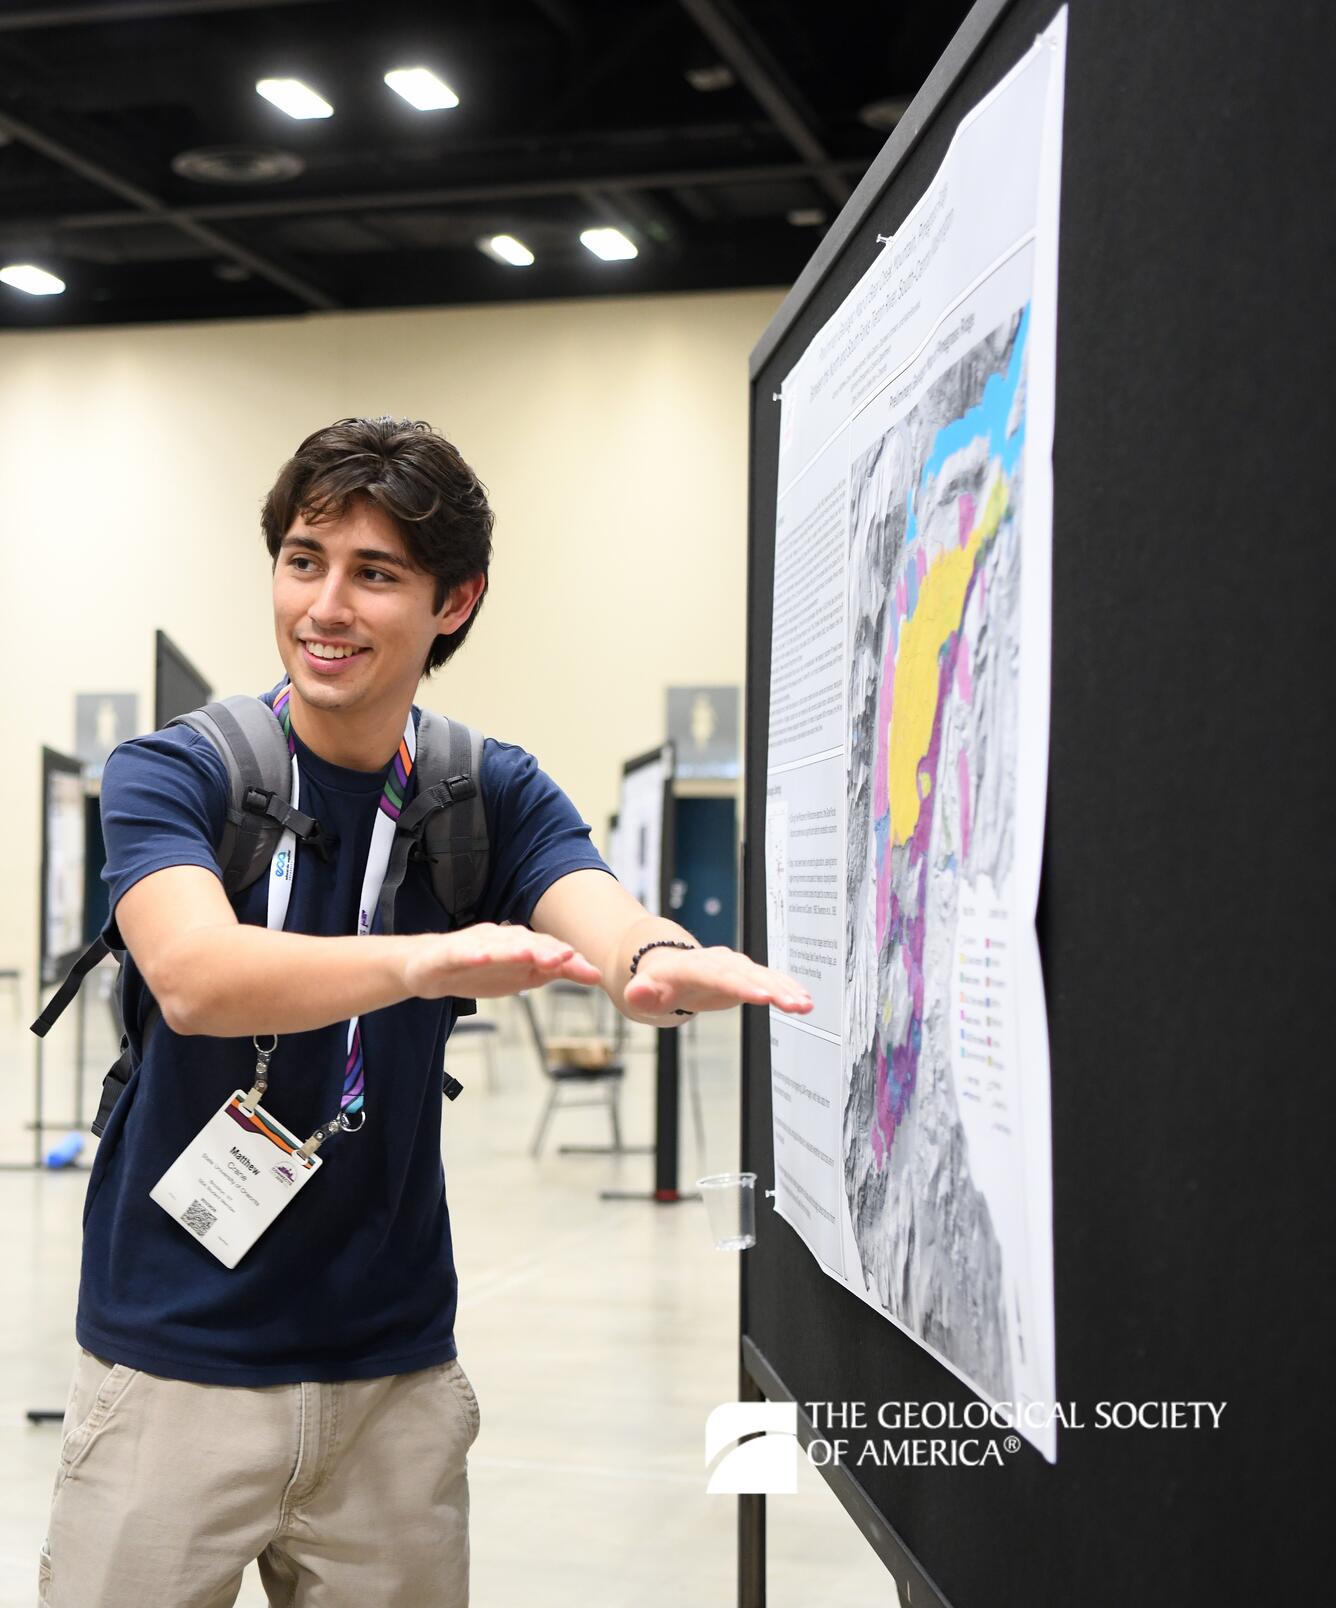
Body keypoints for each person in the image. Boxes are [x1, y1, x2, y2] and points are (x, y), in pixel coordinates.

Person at [40, 416, 811, 1608]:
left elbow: (599, 911)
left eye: (375, 574)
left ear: (454, 602)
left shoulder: (481, 791)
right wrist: (424, 962)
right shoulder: (176, 772)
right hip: (169, 1372)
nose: (325, 607)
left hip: (391, 1387)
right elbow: (194, 977)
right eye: (303, 561)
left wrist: (657, 959)